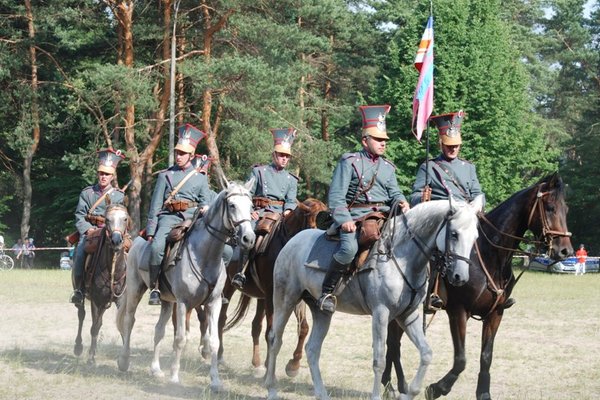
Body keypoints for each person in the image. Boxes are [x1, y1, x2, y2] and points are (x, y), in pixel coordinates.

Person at [410, 110, 514, 311]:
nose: (453, 149)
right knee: (433, 250)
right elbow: (414, 196)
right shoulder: (429, 167)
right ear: (441, 143)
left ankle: (499, 289)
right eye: (449, 145)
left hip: (467, 216)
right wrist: (422, 198)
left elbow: (477, 192)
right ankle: (433, 293)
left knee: (493, 244)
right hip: (443, 219)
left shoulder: (468, 167)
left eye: (456, 145)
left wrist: (478, 205)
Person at [317, 105, 410, 313]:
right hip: (355, 218)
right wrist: (344, 220)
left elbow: (395, 192)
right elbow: (336, 197)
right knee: (348, 249)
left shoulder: (388, 167)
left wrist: (402, 201)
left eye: (385, 140)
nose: (383, 143)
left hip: (383, 217)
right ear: (364, 141)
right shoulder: (349, 162)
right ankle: (326, 292)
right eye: (378, 139)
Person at [146, 124, 211, 305]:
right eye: (177, 153)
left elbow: (205, 201)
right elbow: (155, 204)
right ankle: (155, 287)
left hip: (193, 219)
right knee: (157, 247)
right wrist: (151, 230)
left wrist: (205, 208)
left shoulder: (200, 178)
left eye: (182, 154)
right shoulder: (165, 176)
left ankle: (213, 287)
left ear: (191, 156)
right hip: (169, 218)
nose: (178, 156)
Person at [231, 128, 299, 290]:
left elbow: (290, 201)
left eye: (287, 156)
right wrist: (250, 212)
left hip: (281, 216)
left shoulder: (291, 179)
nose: (284, 159)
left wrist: (288, 212)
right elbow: (247, 195)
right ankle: (241, 272)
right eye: (281, 155)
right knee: (249, 237)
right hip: (260, 213)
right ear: (274, 155)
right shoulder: (259, 172)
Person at [70, 148, 126, 305]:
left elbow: (122, 218)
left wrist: (115, 231)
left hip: (111, 232)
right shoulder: (87, 193)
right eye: (101, 173)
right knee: (80, 254)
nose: (103, 177)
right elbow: (80, 215)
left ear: (112, 176)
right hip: (91, 232)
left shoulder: (119, 196)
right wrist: (88, 229)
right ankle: (79, 290)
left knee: (129, 253)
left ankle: (127, 286)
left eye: (107, 174)